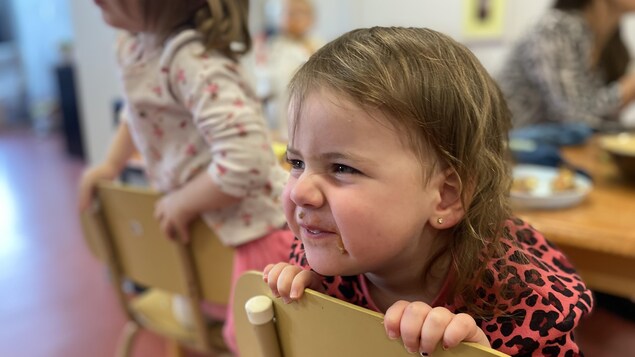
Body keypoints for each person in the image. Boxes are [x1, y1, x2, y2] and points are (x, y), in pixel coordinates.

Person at [263, 27, 593, 356]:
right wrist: (307, 319)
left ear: (446, 196)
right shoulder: (319, 254)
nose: (300, 191)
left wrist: (476, 353)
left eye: (342, 168)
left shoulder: (519, 300)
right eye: (295, 162)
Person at [78, 0, 294, 353]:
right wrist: (110, 165)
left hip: (254, 235)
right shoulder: (133, 45)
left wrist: (182, 201)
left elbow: (249, 160)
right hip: (206, 241)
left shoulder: (195, 61)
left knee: (257, 341)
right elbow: (137, 112)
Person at [497, 0, 635, 129]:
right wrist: (627, 88)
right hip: (513, 146)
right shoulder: (554, 29)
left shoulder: (612, 44)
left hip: (567, 148)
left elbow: (601, 121)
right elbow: (572, 116)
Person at [259, 0, 324, 140]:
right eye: (291, 13)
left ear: (313, 18)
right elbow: (264, 89)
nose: (297, 18)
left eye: (303, 13)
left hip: (312, 119)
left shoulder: (320, 48)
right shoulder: (272, 49)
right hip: (281, 122)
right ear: (278, 17)